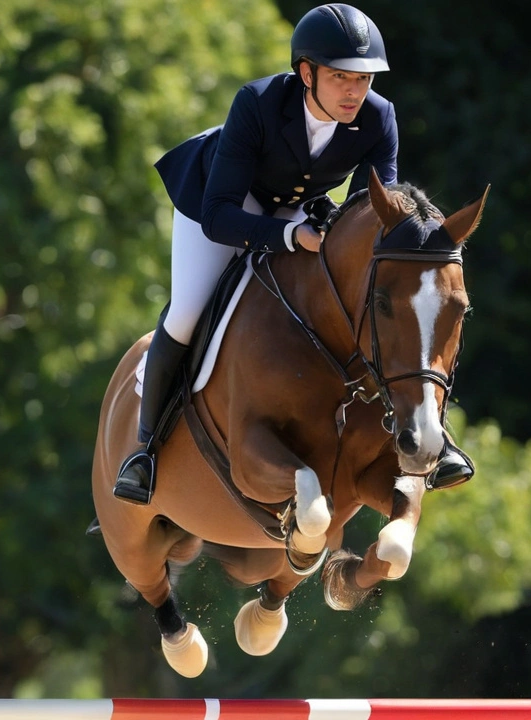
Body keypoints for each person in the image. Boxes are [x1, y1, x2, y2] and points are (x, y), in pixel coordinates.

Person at [113, 3, 474, 505]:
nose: (355, 91)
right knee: (189, 311)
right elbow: (220, 216)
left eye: (364, 79)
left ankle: (435, 431)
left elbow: (376, 210)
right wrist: (289, 238)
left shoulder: (379, 116)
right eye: (340, 77)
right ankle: (145, 449)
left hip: (299, 209)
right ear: (306, 73)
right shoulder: (257, 104)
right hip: (219, 202)